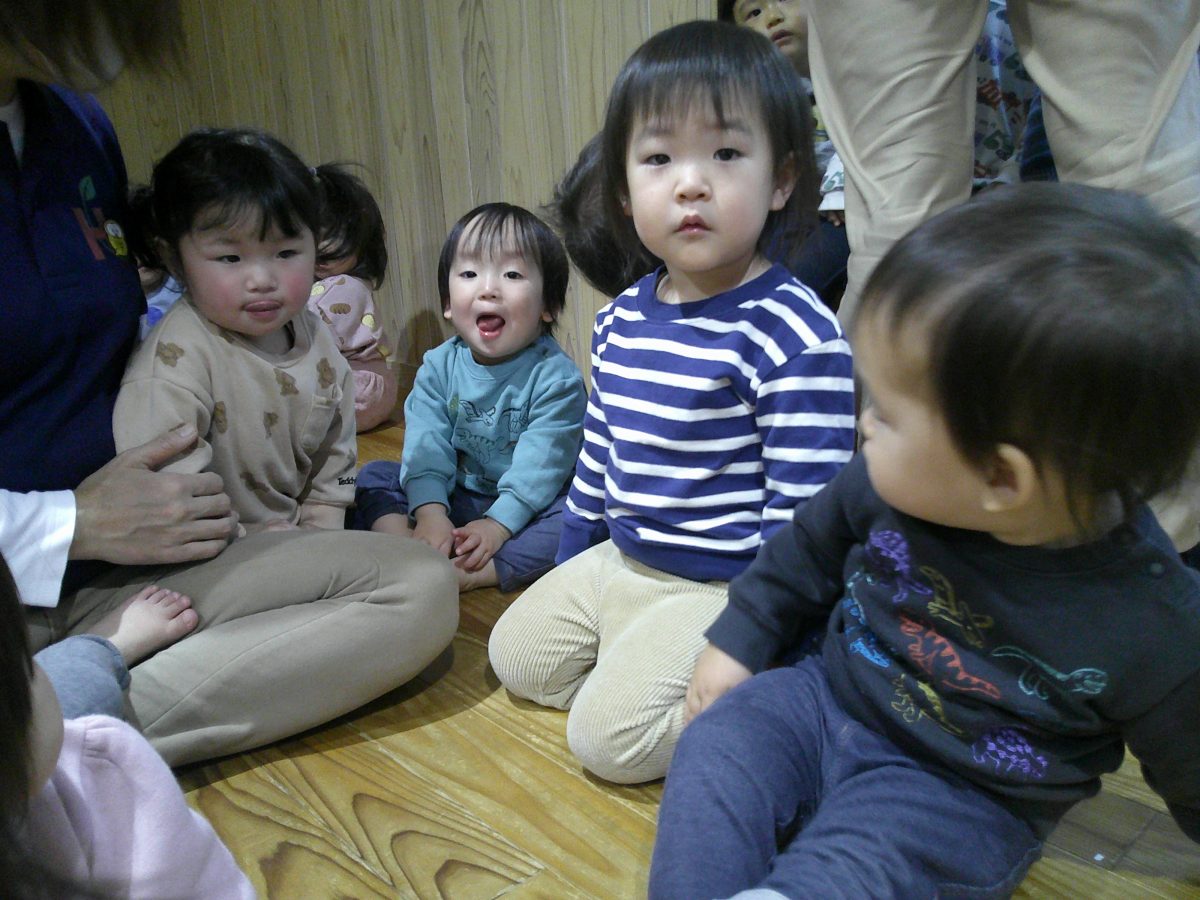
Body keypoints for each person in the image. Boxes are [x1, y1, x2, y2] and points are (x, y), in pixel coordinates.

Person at [650, 184, 1200, 898]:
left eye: (886, 411)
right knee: (718, 745)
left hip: (960, 795)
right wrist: (739, 642)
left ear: (1001, 477)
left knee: (852, 875)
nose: (864, 423)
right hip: (824, 698)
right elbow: (803, 552)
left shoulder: (1153, 623)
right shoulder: (886, 484)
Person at [488, 20, 857, 785]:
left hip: (725, 588)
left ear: (781, 180)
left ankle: (777, 690)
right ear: (625, 193)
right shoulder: (622, 317)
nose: (691, 184)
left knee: (606, 745)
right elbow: (600, 454)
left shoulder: (793, 331)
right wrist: (571, 562)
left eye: (726, 154)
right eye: (659, 159)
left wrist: (756, 631)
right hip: (622, 560)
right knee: (514, 658)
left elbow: (808, 515)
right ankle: (650, 673)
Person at [355, 203, 587, 593]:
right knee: (374, 475)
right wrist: (430, 512)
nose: (488, 289)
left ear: (547, 305)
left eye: (512, 274)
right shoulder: (438, 366)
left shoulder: (556, 379)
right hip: (459, 494)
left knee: (585, 516)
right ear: (448, 302)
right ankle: (410, 546)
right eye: (469, 274)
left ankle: (476, 571)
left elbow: (541, 467)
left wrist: (498, 526)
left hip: (532, 503)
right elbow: (427, 446)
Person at [0, 553, 254, 899]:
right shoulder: (97, 765)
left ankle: (98, 646)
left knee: (77, 674)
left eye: (28, 663)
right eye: (27, 667)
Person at [309, 163, 400, 432]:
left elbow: (304, 335)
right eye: (311, 235)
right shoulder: (329, 284)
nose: (322, 246)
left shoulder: (344, 287)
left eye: (333, 236)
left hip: (357, 389)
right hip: (366, 388)